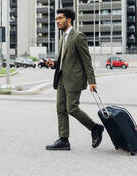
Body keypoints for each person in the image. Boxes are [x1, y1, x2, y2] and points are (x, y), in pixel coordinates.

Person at [44, 8, 104, 151]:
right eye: (56, 19)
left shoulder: (78, 36)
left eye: (60, 18)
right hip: (61, 79)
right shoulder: (62, 38)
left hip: (74, 79)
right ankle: (64, 140)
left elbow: (86, 60)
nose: (57, 21)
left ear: (68, 20)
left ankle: (95, 128)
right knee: (60, 109)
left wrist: (92, 81)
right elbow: (64, 60)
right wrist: (54, 64)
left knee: (72, 108)